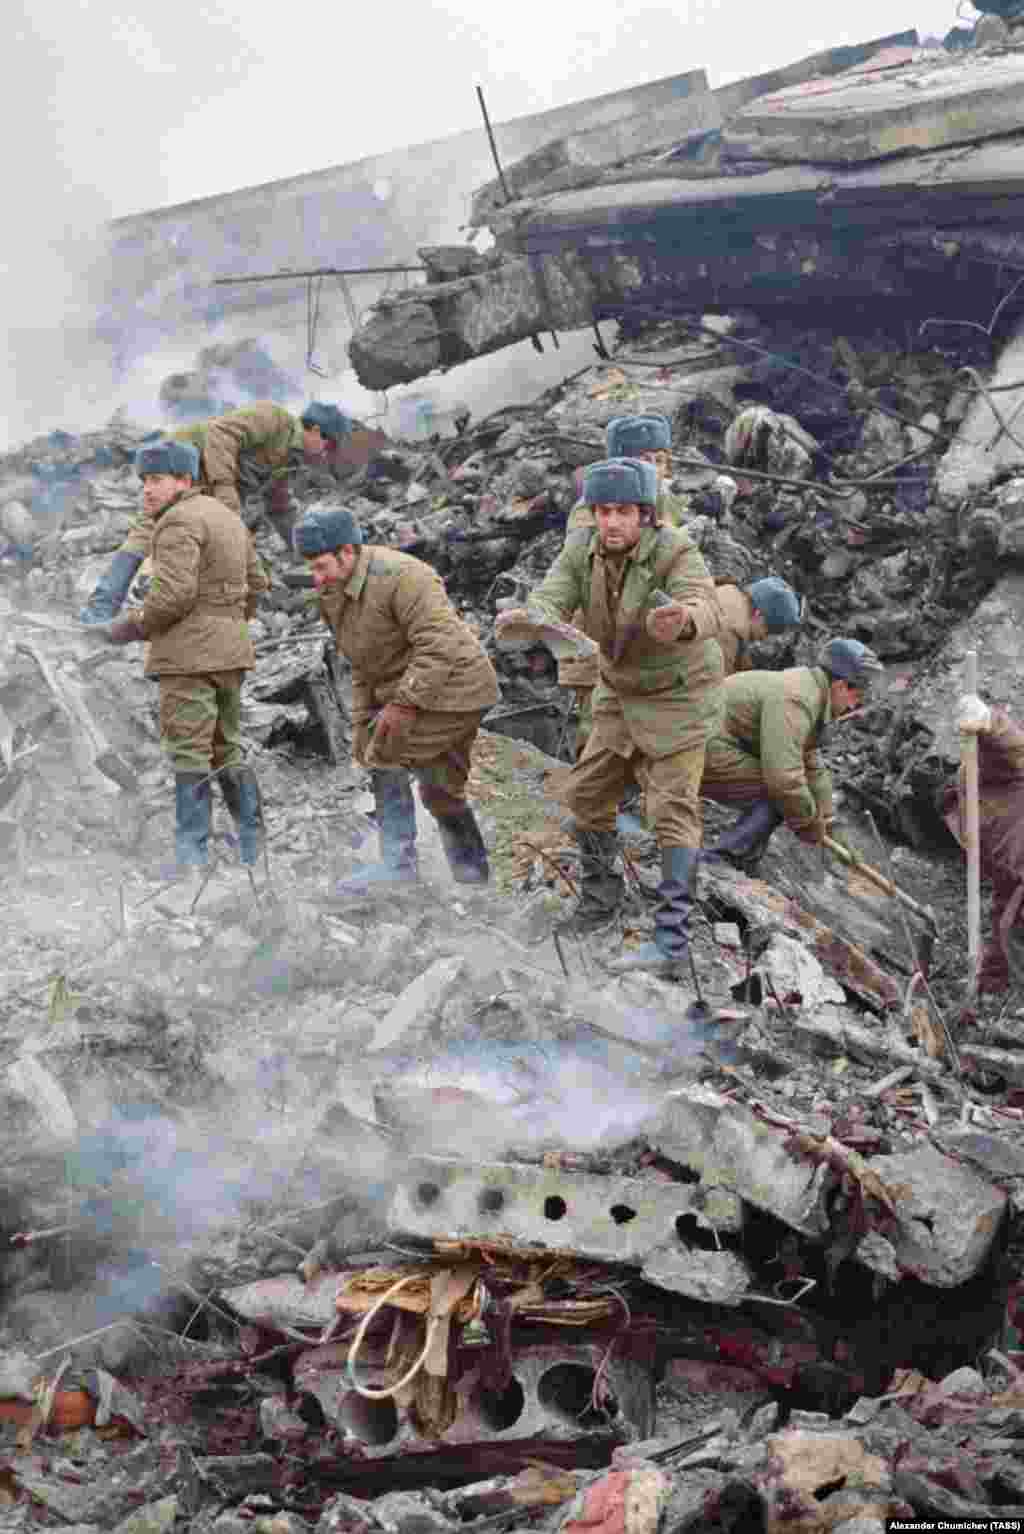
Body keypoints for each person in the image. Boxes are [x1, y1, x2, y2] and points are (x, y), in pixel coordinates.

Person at [500, 457, 723, 976]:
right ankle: (601, 901)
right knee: (587, 794)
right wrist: (534, 618)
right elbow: (554, 592)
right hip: (619, 691)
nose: (612, 522)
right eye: (603, 511)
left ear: (645, 514)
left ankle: (672, 942)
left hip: (678, 697)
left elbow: (705, 605)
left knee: (671, 813)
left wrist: (684, 619)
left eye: (623, 511)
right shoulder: (582, 548)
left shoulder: (675, 549)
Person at [294, 503, 499, 891]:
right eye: (311, 569)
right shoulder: (333, 593)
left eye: (321, 566)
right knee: (440, 791)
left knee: (384, 752)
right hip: (414, 689)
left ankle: (398, 866)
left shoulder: (404, 577)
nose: (316, 578)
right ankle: (473, 881)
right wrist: (361, 719)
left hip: (457, 688)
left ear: (348, 552)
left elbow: (439, 645)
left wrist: (403, 705)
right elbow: (362, 663)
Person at [102, 439, 270, 874]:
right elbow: (258, 584)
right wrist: (227, 624)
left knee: (188, 754)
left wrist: (127, 627)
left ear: (184, 480)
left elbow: (173, 597)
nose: (147, 489)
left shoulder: (176, 522)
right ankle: (256, 855)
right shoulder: (226, 516)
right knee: (227, 749)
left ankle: (191, 865)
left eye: (156, 479)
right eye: (144, 481)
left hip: (188, 659)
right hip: (231, 653)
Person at [79, 401, 354, 624]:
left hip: (211, 483)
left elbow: (279, 506)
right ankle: (99, 611)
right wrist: (225, 491)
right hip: (182, 461)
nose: (325, 454)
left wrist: (309, 552)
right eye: (329, 445)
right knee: (147, 532)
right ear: (315, 430)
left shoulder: (290, 459)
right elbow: (220, 433)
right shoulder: (274, 419)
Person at [559, 416, 689, 758]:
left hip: (643, 638)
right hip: (600, 638)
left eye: (660, 459)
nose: (656, 469)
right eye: (645, 460)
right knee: (600, 731)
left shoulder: (661, 500)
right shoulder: (592, 513)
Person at [702, 638, 884, 875]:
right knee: (782, 794)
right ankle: (720, 860)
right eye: (856, 697)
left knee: (791, 794)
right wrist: (809, 823)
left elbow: (811, 764)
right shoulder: (798, 699)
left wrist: (831, 823)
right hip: (696, 745)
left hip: (714, 744)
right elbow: (783, 779)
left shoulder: (812, 693)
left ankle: (742, 862)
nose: (854, 706)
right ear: (840, 687)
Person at [944, 694, 1024, 996]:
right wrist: (989, 980)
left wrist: (989, 720)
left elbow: (1013, 745)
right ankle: (997, 988)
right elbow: (1002, 901)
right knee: (1007, 925)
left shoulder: (999, 771)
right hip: (1016, 874)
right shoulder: (987, 837)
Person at [714, 576, 802, 676]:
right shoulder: (730, 636)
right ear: (758, 614)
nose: (764, 637)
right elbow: (713, 682)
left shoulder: (729, 591)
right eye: (769, 630)